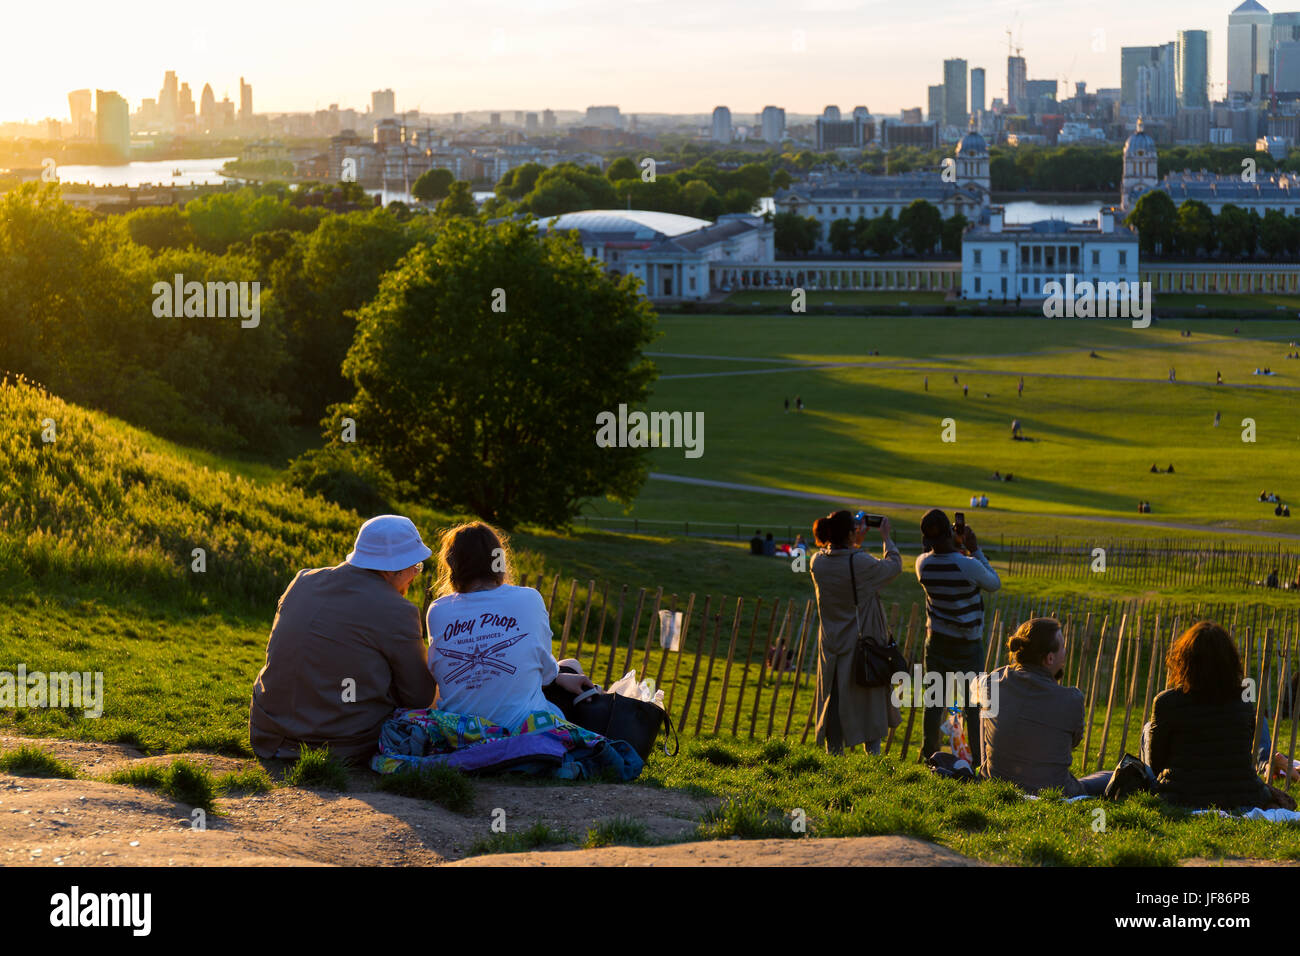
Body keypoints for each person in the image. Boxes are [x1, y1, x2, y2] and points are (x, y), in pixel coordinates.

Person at [249, 515, 438, 764]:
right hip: (339, 743)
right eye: (415, 566)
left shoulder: (302, 581)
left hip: (267, 733)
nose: (415, 574)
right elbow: (419, 697)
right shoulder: (397, 610)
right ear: (393, 569)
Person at [426, 522, 592, 730]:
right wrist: (559, 676)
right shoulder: (529, 599)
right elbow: (546, 674)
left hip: (461, 731)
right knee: (572, 666)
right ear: (498, 561)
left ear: (453, 565)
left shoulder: (438, 610)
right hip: (523, 730)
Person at [1141, 622, 1278, 811]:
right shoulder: (1243, 703)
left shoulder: (1166, 702)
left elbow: (1157, 763)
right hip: (1240, 794)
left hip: (1182, 794)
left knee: (1148, 728)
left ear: (1185, 660)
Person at [977, 618, 1112, 797]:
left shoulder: (992, 682)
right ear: (1049, 658)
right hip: (1053, 791)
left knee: (985, 714)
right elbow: (1072, 742)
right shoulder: (1072, 699)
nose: (1066, 652)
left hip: (996, 783)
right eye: (1063, 647)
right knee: (1110, 776)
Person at [808, 509, 902, 755]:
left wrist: (853, 541)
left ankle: (833, 755)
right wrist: (886, 538)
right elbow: (893, 566)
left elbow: (844, 561)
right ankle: (872, 759)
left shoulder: (817, 562)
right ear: (850, 532)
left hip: (831, 642)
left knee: (834, 701)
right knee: (868, 702)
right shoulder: (860, 563)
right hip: (861, 644)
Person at [915, 509, 1001, 765]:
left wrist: (953, 545)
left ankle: (929, 754)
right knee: (973, 706)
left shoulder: (922, 565)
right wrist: (974, 549)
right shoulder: (967, 564)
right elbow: (994, 583)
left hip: (937, 641)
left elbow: (933, 553)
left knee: (933, 702)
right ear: (951, 532)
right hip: (967, 644)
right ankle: (977, 760)